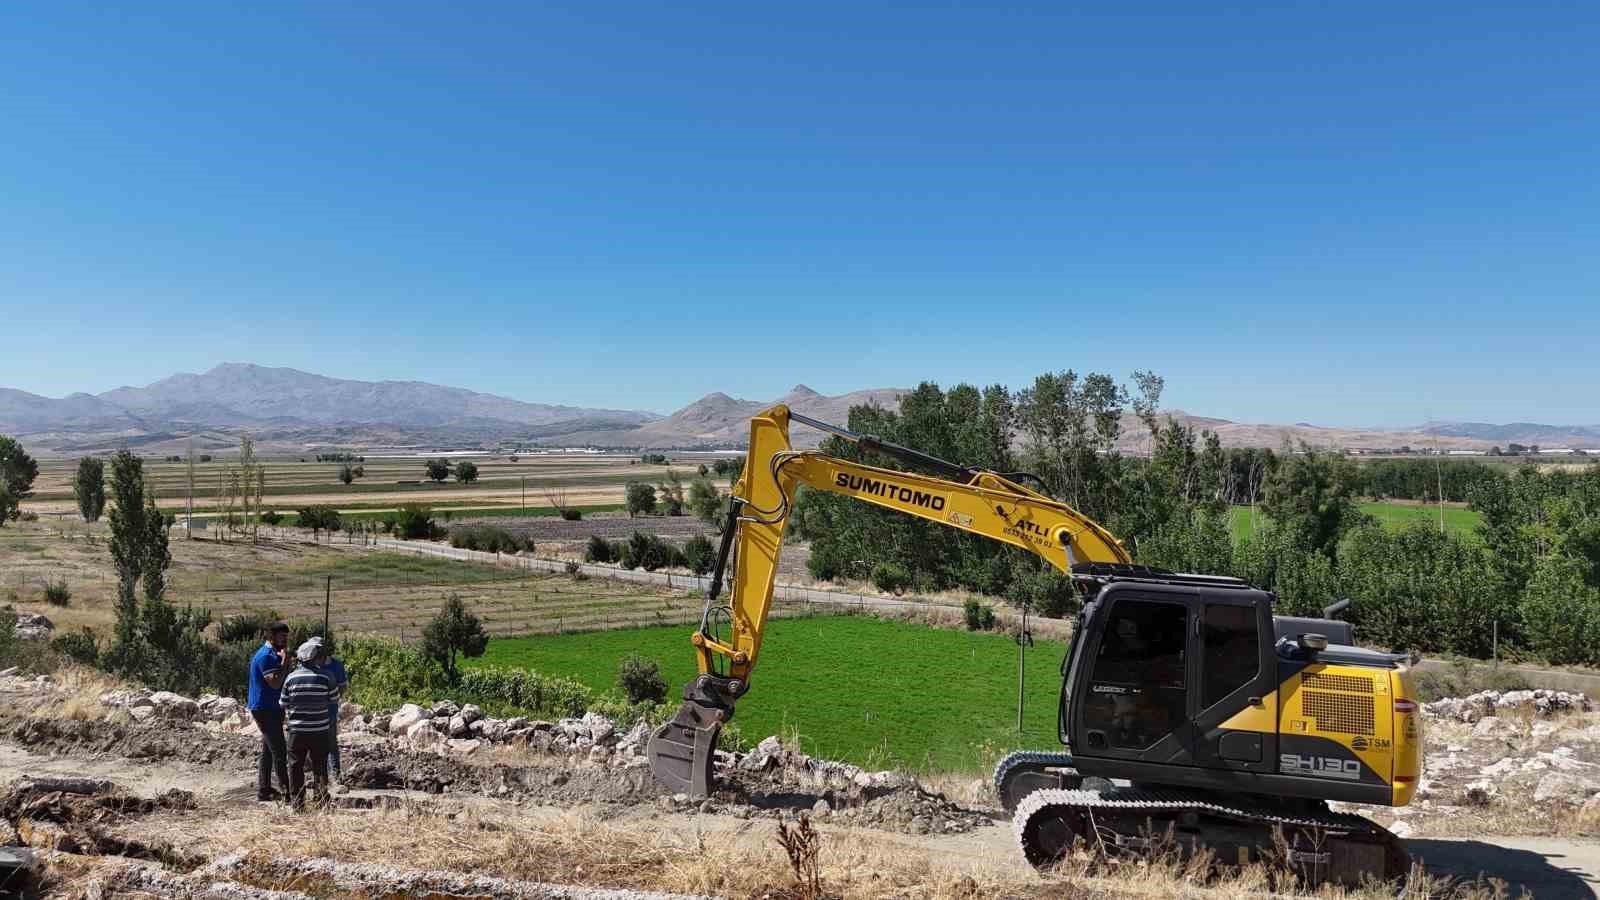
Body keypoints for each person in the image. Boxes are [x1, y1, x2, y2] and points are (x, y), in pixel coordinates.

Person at [282, 637, 339, 809]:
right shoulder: (326, 676)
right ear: (316, 658)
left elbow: (283, 702)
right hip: (320, 729)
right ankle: (321, 801)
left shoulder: (290, 678)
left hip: (297, 731)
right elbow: (334, 699)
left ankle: (297, 803)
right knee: (320, 765)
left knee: (295, 766)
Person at [247, 622, 292, 802]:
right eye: (282, 636)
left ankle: (264, 789)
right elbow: (274, 683)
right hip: (265, 708)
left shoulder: (275, 654)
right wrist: (285, 663)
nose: (285, 639)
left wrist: (284, 663)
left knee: (268, 750)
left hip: (273, 707)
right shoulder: (266, 656)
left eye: (286, 636)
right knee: (279, 750)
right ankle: (288, 793)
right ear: (272, 637)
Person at [322, 645, 349, 783]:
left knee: (331, 741)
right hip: (313, 711)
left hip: (330, 710)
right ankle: (321, 775)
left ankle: (335, 773)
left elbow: (342, 686)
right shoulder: (310, 664)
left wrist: (334, 698)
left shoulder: (336, 665)